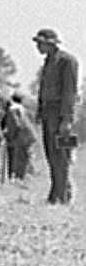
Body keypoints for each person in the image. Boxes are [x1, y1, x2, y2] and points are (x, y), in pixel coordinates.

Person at [33, 28, 79, 204]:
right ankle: (56, 192)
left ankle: (63, 194)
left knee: (63, 156)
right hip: (48, 114)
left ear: (51, 43)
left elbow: (70, 92)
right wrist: (39, 110)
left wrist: (67, 119)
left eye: (40, 43)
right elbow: (43, 89)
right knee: (51, 154)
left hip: (60, 115)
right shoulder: (48, 62)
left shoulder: (68, 61)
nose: (38, 46)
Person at [4, 91, 36, 181]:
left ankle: (19, 178)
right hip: (30, 134)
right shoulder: (24, 108)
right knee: (26, 156)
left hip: (20, 135)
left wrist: (11, 135)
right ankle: (24, 176)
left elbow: (15, 123)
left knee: (19, 157)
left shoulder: (12, 109)